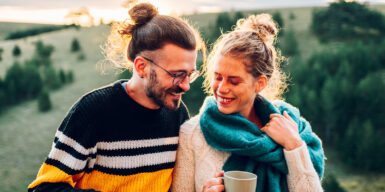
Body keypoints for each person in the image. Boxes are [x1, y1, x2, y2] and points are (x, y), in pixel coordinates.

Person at [28, 3, 204, 192]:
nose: (185, 85)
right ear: (141, 67)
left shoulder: (177, 115)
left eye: (190, 74)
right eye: (177, 74)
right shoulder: (93, 111)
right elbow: (44, 188)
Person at [171, 13, 324, 192]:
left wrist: (293, 145)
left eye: (234, 81)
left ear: (260, 83)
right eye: (218, 77)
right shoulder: (192, 134)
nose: (221, 88)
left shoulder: (292, 128)